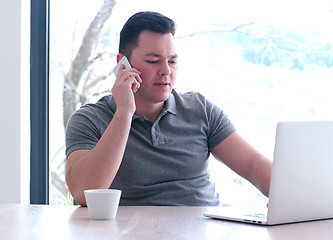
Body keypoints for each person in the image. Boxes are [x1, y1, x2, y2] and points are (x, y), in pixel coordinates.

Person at [65, 11, 272, 206]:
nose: (166, 71)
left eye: (172, 61)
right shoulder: (90, 119)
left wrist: (288, 196)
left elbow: (253, 164)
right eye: (153, 61)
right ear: (122, 65)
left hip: (205, 229)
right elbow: (84, 192)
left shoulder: (200, 110)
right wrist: (124, 113)